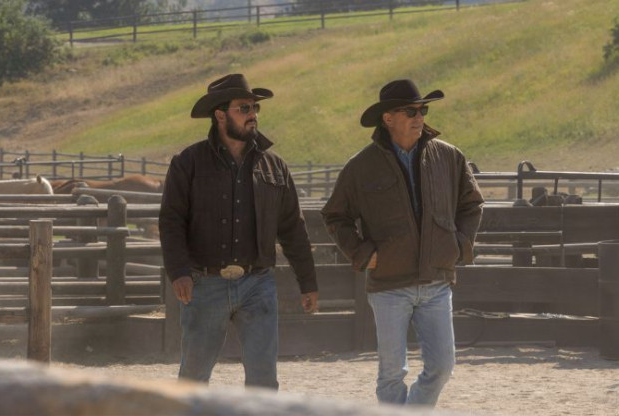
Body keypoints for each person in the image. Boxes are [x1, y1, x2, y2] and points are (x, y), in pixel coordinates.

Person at [321, 79, 484, 406]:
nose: (419, 117)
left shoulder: (449, 156)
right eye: (410, 111)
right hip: (388, 286)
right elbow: (335, 215)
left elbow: (471, 204)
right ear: (388, 118)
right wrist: (362, 253)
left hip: (437, 282)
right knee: (392, 373)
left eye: (422, 110)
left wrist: (459, 245)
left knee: (442, 367)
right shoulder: (360, 166)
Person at [159, 73, 319, 390]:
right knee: (193, 378)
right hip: (204, 284)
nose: (252, 115)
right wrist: (178, 271)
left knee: (263, 380)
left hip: (258, 282)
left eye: (255, 108)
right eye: (244, 108)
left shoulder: (275, 166)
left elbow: (292, 228)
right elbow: (171, 220)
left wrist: (308, 282)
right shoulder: (188, 163)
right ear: (220, 115)